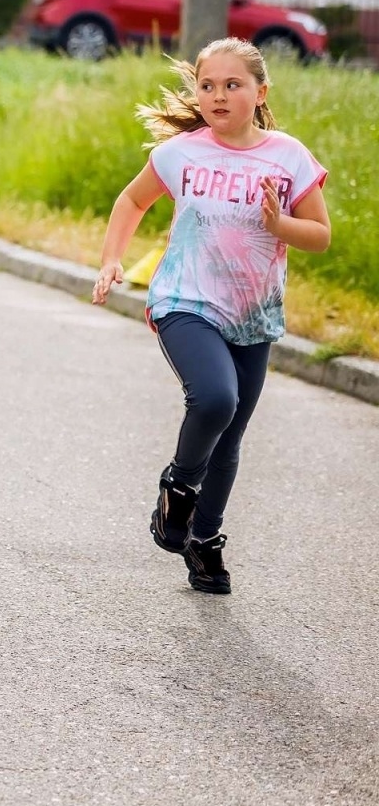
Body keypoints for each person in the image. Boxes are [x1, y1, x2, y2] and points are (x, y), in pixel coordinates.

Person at [92, 37, 330, 595]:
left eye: (232, 85)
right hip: (185, 301)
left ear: (260, 91)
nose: (218, 95)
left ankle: (204, 542)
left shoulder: (289, 156)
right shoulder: (181, 154)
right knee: (216, 399)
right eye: (207, 86)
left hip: (253, 313)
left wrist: (280, 226)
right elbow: (131, 202)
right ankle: (178, 486)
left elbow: (319, 236)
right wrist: (111, 259)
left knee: (231, 437)